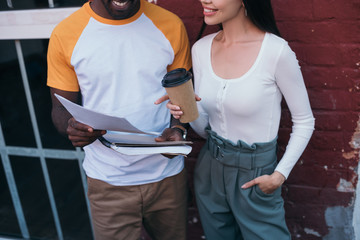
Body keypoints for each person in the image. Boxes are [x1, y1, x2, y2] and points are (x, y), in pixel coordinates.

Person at [156, 0, 315, 239]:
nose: (205, 0)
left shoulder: (275, 51)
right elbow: (204, 129)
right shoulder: (200, 48)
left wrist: (279, 175)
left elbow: (304, 120)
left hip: (256, 173)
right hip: (210, 166)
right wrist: (185, 108)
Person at [47, 0, 191, 239]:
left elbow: (183, 97)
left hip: (167, 177)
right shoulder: (66, 33)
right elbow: (59, 109)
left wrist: (177, 129)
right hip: (107, 181)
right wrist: (72, 127)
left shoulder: (170, 24)